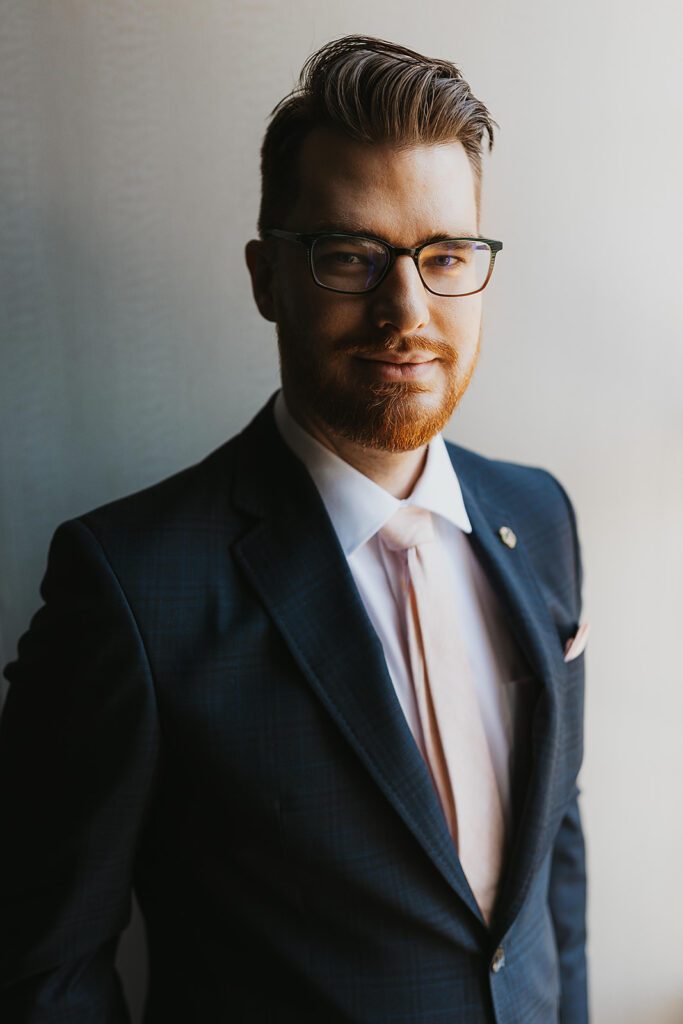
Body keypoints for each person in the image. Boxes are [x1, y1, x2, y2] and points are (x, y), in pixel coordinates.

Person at [0, 34, 589, 1024]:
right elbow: (42, 968)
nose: (406, 311)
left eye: (444, 256)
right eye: (351, 255)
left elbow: (552, 852)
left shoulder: (540, 513)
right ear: (267, 277)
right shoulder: (128, 586)